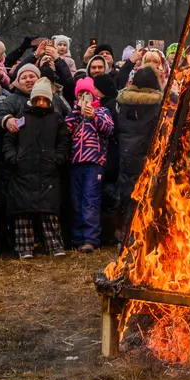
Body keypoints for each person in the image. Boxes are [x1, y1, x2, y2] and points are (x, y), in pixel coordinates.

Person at [0, 79, 70, 258]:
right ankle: (24, 248)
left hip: (48, 170)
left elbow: (64, 141)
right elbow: (9, 140)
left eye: (44, 99)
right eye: (37, 99)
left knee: (48, 211)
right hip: (23, 170)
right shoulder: (22, 117)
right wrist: (12, 158)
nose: (41, 103)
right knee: (23, 212)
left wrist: (58, 158)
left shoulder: (56, 119)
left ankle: (55, 246)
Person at [111, 66, 162, 241]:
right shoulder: (158, 106)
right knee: (147, 194)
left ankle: (126, 230)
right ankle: (145, 232)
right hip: (148, 156)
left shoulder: (123, 104)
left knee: (128, 192)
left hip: (127, 155)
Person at [67, 77, 113, 253]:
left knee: (90, 200)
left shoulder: (102, 111)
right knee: (76, 201)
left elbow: (108, 129)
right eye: (81, 94)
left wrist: (93, 115)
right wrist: (77, 112)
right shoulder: (74, 113)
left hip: (94, 163)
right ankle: (77, 238)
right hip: (75, 163)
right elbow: (66, 130)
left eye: (88, 94)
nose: (85, 97)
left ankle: (91, 239)